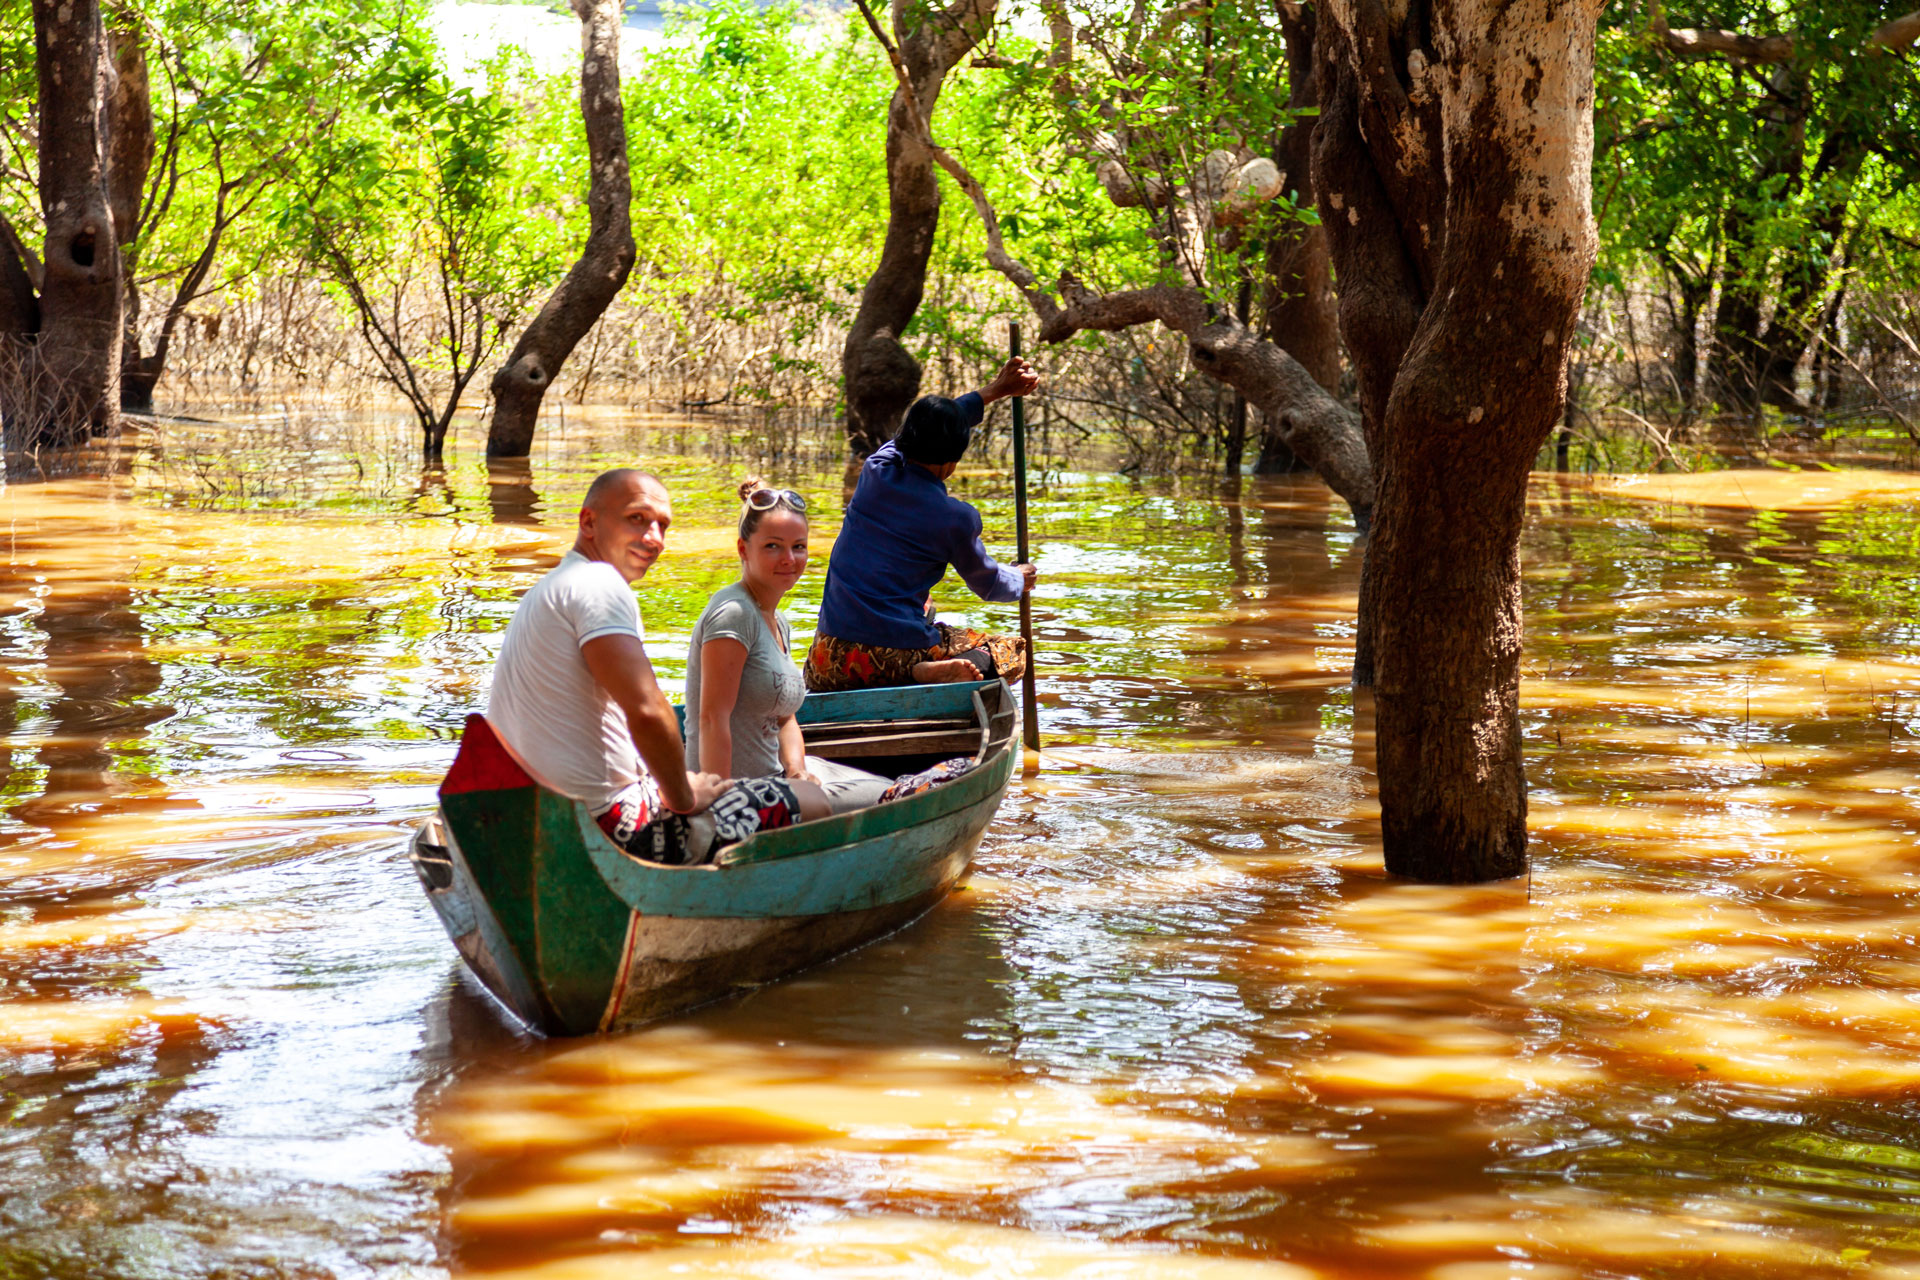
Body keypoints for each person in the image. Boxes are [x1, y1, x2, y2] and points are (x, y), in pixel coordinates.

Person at [485, 468, 833, 866]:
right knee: (814, 802)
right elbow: (649, 712)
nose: (653, 539)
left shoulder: (550, 588)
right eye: (637, 519)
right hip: (605, 823)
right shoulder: (599, 586)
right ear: (588, 522)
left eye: (662, 526)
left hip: (534, 811)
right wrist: (687, 797)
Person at [805, 357, 1042, 693]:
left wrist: (993, 391)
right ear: (953, 460)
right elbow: (988, 584)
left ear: (904, 439)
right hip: (895, 658)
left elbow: (932, 423)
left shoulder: (876, 470)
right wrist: (1018, 577)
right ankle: (919, 671)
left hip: (828, 662)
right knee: (1012, 654)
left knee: (926, 606)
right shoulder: (956, 517)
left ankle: (920, 668)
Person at [685, 480, 891, 813]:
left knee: (890, 789)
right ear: (743, 549)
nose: (789, 559)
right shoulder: (733, 615)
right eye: (772, 546)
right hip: (739, 792)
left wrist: (797, 771)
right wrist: (721, 809)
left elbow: (785, 718)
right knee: (895, 799)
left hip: (779, 778)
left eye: (798, 547)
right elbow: (711, 719)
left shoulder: (778, 621)